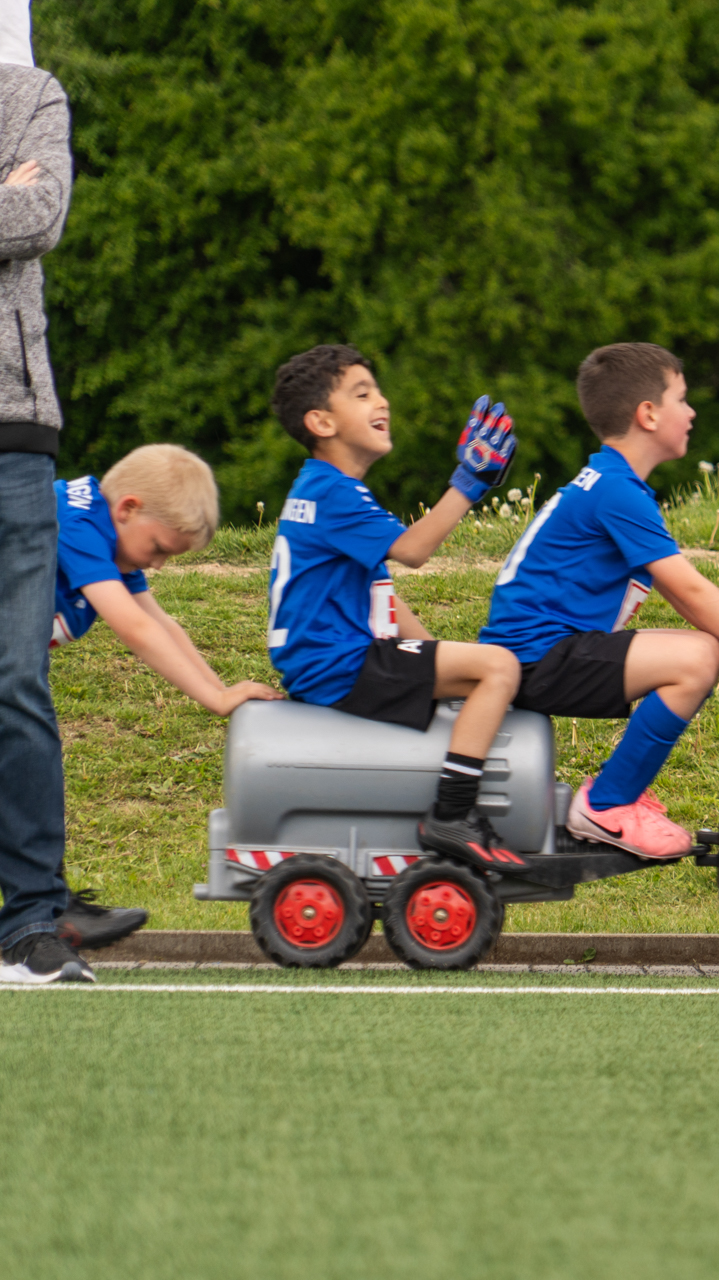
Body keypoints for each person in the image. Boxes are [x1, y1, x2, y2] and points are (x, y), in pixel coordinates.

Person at [479, 342, 719, 857]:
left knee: (694, 649)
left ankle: (618, 794)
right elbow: (691, 588)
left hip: (537, 652)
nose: (691, 412)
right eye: (682, 398)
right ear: (648, 414)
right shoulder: (618, 491)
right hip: (536, 659)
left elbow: (680, 595)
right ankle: (607, 803)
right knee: (697, 658)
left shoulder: (610, 481)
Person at [267, 344, 531, 873]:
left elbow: (381, 592)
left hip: (327, 660)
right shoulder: (335, 493)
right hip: (339, 665)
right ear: (321, 422)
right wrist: (469, 481)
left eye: (377, 390)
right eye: (361, 393)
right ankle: (452, 814)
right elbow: (413, 550)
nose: (381, 401)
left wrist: (442, 660)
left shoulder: (322, 488)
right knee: (501, 665)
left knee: (483, 669)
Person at [47, 445, 282, 947]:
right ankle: (49, 909)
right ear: (127, 508)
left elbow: (159, 621)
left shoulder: (111, 534)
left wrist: (223, 690)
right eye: (157, 548)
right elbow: (134, 628)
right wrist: (214, 700)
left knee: (32, 768)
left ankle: (50, 906)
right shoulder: (77, 522)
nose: (155, 564)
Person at [0, 43, 94, 984]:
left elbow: (38, 216)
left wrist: (14, 201)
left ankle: (31, 921)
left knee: (14, 684)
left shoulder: (29, 94)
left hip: (13, 439)